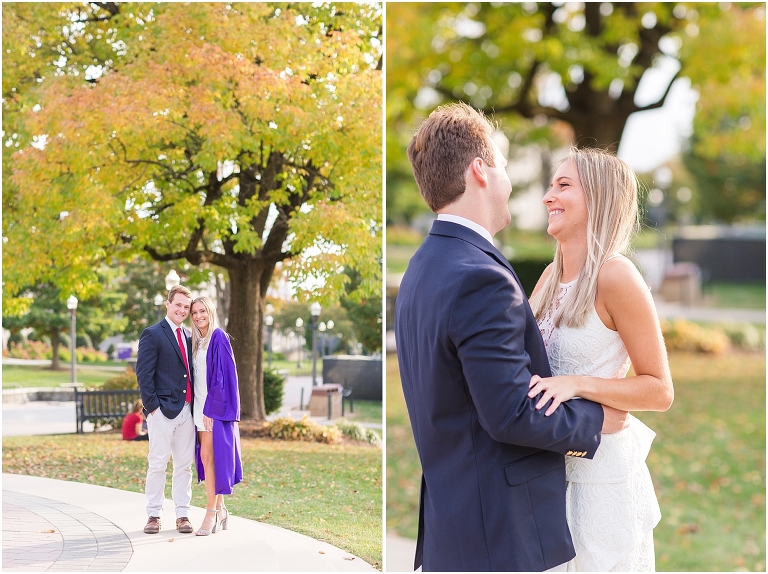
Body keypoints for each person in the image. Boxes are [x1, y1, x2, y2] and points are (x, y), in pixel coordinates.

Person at [395, 102, 629, 572]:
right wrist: (597, 420)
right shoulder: (479, 276)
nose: (512, 181)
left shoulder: (422, 268)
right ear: (481, 170)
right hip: (497, 535)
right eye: (502, 163)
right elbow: (509, 415)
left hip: (457, 525)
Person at [528, 147, 674, 571]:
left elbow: (660, 390)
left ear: (598, 197)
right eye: (551, 185)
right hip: (547, 471)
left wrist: (577, 385)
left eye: (563, 185)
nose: (547, 196)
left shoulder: (617, 276)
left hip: (600, 480)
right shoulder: (548, 278)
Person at [136, 285, 196, 535]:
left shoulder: (190, 337)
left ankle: (183, 514)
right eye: (178, 304)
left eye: (186, 306)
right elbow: (144, 373)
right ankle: (154, 515)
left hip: (187, 411)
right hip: (162, 411)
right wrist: (152, 409)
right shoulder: (153, 334)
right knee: (158, 463)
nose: (182, 309)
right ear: (168, 304)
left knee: (184, 465)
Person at [189, 296, 242, 536]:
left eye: (202, 311)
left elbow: (222, 378)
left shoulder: (218, 337)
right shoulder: (198, 342)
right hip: (199, 407)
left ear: (210, 311)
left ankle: (210, 512)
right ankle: (221, 509)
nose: (198, 316)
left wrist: (211, 410)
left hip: (212, 410)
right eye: (194, 313)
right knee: (209, 459)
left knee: (209, 457)